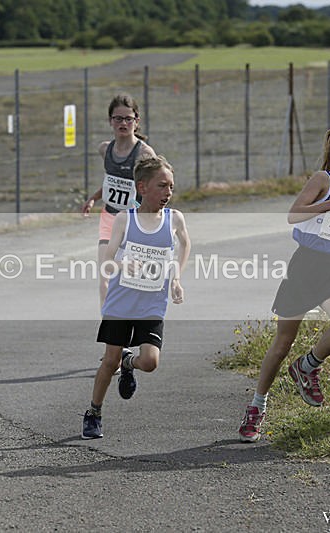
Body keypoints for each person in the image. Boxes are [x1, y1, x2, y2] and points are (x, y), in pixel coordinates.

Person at [238, 128, 330, 443]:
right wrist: (328, 204)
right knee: (282, 343)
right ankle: (257, 406)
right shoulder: (323, 180)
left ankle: (306, 365)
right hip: (305, 265)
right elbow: (293, 215)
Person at [82, 155, 191, 439]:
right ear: (142, 188)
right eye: (162, 186)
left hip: (152, 303)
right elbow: (107, 259)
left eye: (171, 187)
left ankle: (130, 363)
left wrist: (176, 278)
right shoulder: (125, 220)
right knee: (109, 361)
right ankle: (94, 412)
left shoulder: (174, 219)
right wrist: (121, 264)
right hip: (121, 303)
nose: (168, 193)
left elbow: (185, 244)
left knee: (151, 362)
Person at [81, 94, 157, 306]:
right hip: (109, 218)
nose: (123, 123)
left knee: (132, 276)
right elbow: (112, 183)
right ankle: (110, 325)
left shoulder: (144, 153)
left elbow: (156, 185)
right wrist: (94, 198)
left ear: (136, 121)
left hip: (133, 221)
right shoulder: (105, 149)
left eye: (128, 119)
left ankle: (137, 316)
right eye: (118, 119)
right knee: (105, 274)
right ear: (110, 121)